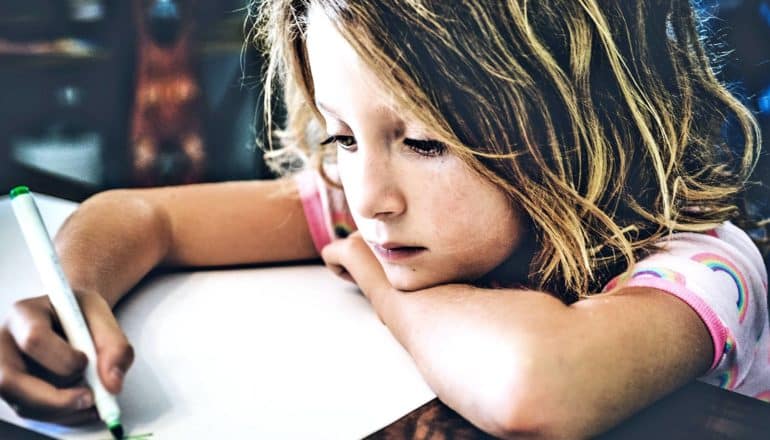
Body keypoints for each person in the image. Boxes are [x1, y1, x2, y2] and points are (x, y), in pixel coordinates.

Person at [1, 1, 768, 437]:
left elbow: (537, 388)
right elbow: (143, 214)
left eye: (428, 141)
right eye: (340, 136)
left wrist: (376, 278)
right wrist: (78, 294)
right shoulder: (391, 198)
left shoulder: (708, 264)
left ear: (581, 120)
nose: (368, 198)